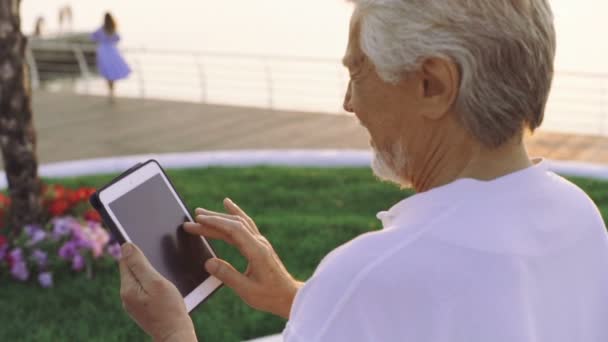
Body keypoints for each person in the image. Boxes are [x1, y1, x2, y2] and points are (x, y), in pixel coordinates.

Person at [116, 0, 608, 341]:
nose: (348, 102)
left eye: (357, 72)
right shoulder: (579, 217)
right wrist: (299, 299)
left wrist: (172, 331)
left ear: (432, 85)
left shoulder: (370, 277)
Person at [91, 12, 131, 103]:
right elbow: (118, 38)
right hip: (112, 51)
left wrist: (100, 41)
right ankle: (112, 92)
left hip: (103, 51)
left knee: (108, 72)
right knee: (112, 71)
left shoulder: (101, 29)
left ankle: (110, 92)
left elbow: (92, 37)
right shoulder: (113, 28)